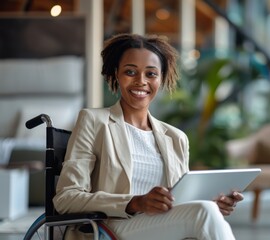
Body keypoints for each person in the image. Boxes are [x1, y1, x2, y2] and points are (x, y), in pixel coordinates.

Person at [53, 33, 244, 240]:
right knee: (203, 213)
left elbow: (182, 201)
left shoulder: (176, 138)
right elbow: (66, 198)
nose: (141, 81)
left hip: (163, 228)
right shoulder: (94, 121)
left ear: (161, 78)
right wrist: (134, 202)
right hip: (111, 229)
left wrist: (213, 204)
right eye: (130, 71)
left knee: (206, 210)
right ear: (116, 74)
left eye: (151, 74)